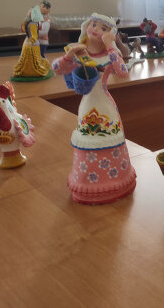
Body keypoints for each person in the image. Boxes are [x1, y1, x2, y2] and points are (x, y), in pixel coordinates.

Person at [52, 13, 136, 204]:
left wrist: (110, 45)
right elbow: (56, 69)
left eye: (103, 28)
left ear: (110, 34)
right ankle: (86, 182)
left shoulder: (109, 54)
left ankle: (116, 180)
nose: (96, 30)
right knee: (87, 139)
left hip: (104, 105)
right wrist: (69, 56)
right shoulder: (79, 52)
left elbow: (122, 72)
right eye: (94, 25)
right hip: (87, 105)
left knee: (109, 137)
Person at [12, 3, 53, 81]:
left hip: (32, 43)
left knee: (34, 59)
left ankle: (35, 72)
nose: (29, 13)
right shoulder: (30, 22)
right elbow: (23, 29)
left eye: (31, 12)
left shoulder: (33, 23)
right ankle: (23, 71)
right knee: (25, 58)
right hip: (28, 41)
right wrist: (25, 21)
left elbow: (34, 35)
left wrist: (31, 41)